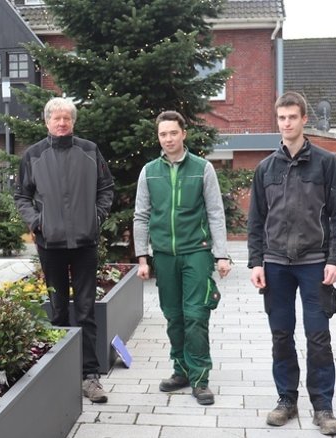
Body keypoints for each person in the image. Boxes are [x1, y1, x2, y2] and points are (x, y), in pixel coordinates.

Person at [248, 91, 336, 436]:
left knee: (318, 335)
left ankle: (323, 407)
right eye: (281, 118)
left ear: (305, 119)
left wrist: (335, 259)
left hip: (314, 264)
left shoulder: (325, 163)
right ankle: (286, 400)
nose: (287, 123)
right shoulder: (265, 168)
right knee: (281, 334)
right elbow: (256, 220)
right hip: (275, 264)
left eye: (292, 117)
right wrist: (255, 262)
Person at [14, 97, 114, 403]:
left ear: (73, 122)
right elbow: (21, 195)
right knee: (57, 309)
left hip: (85, 243)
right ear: (47, 122)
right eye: (56, 119)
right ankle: (59, 372)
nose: (61, 123)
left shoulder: (89, 150)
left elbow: (106, 188)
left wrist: (97, 217)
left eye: (66, 119)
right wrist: (36, 222)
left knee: (85, 310)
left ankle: (90, 376)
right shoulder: (33, 155)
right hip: (51, 244)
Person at [132, 110, 231, 406]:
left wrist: (221, 255)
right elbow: (141, 215)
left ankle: (201, 379)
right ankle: (181, 371)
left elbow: (215, 212)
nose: (168, 139)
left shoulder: (202, 168)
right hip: (164, 256)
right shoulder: (149, 171)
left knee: (197, 316)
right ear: (158, 137)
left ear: (183, 134)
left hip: (197, 253)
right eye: (163, 134)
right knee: (174, 317)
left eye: (173, 133)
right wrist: (142, 257)